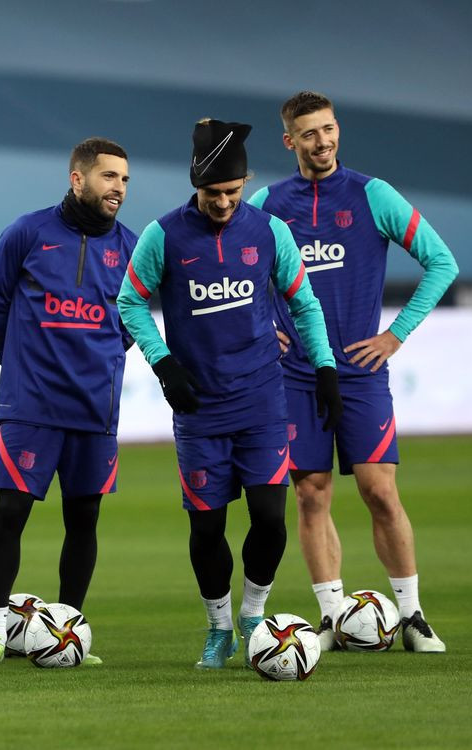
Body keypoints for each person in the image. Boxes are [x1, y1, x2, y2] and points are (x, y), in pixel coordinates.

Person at [117, 119, 342, 669]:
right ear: (196, 184)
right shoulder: (162, 235)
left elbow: (305, 305)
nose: (222, 203)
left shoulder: (269, 232)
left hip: (263, 399)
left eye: (232, 192)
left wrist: (327, 368)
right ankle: (218, 628)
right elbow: (129, 303)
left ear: (247, 182)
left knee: (270, 518)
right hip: (199, 408)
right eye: (213, 193)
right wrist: (164, 363)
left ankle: (252, 614)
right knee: (207, 525)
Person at [249, 91, 457, 652]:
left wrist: (395, 334)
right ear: (290, 141)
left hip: (361, 372)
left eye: (331, 129)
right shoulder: (267, 203)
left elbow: (443, 263)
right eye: (311, 133)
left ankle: (412, 617)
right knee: (311, 494)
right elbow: (245, 273)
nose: (325, 141)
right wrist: (264, 322)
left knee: (379, 491)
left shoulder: (373, 196)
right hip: (295, 375)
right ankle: (333, 616)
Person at [0, 138, 137, 667]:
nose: (119, 189)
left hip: (94, 410)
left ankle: (69, 630)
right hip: (31, 406)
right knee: (9, 512)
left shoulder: (131, 248)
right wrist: (17, 361)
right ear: (77, 178)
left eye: (125, 180)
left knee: (84, 519)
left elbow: (132, 322)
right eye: (109, 177)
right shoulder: (27, 233)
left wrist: (102, 359)